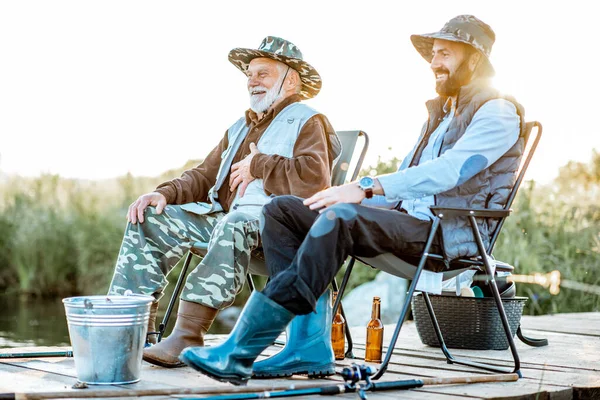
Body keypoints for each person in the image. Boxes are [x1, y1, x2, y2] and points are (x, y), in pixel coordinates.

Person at [179, 15, 526, 385]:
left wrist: (363, 187)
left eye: (444, 53)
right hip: (406, 221)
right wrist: (337, 198)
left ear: (473, 59)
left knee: (341, 216)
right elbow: (408, 181)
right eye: (433, 53)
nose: (433, 62)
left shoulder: (498, 112)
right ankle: (306, 345)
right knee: (283, 211)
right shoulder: (441, 115)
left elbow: (451, 171)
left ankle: (240, 350)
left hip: (448, 233)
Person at [107, 36, 341, 368]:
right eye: (249, 74)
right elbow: (204, 176)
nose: (252, 81)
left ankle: (187, 334)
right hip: (226, 220)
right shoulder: (241, 125)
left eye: (263, 73)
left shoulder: (307, 120)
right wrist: (164, 193)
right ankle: (128, 331)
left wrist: (259, 165)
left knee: (233, 224)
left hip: (274, 229)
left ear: (290, 79)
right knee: (150, 217)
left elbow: (315, 180)